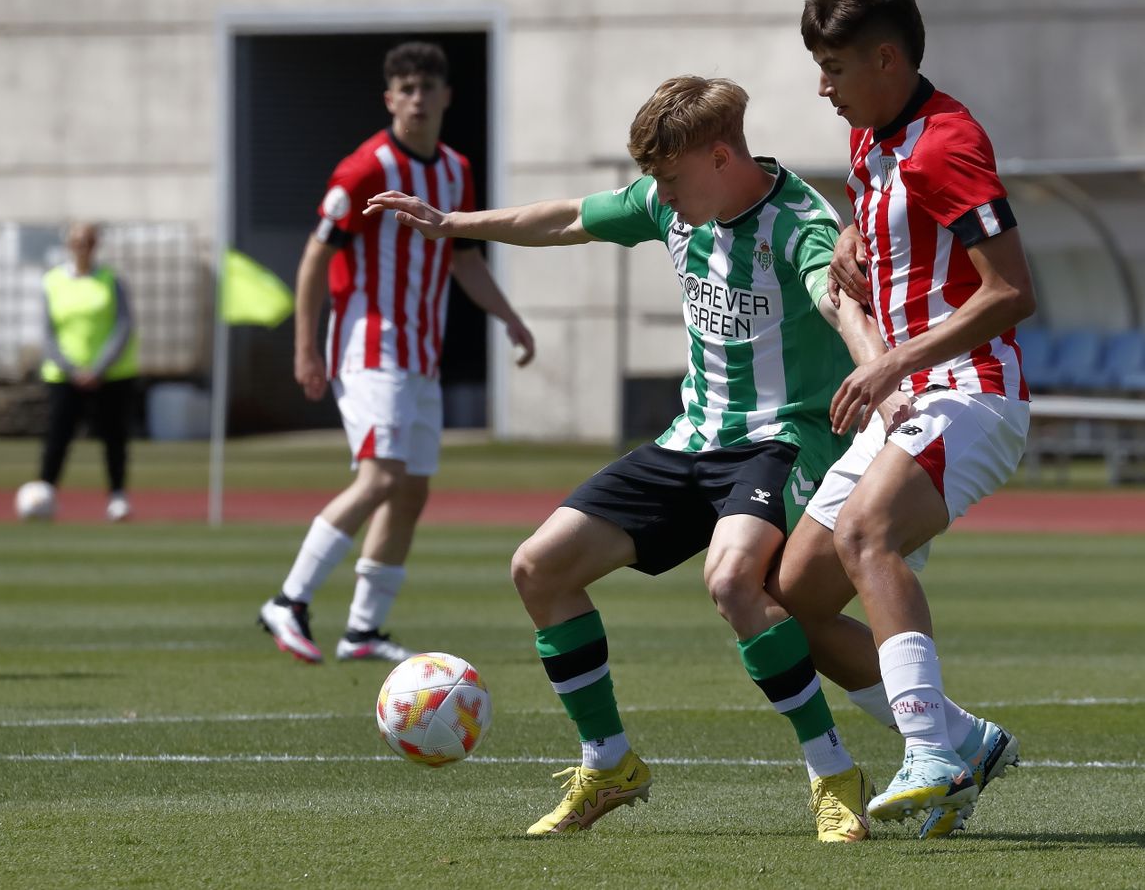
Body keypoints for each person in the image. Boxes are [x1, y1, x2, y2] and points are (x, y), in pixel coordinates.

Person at [369, 75, 952, 842]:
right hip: (691, 440)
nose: (658, 195)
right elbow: (570, 218)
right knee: (539, 567)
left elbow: (841, 303)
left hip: (783, 439)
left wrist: (881, 383)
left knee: (735, 579)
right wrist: (451, 223)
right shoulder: (667, 204)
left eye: (670, 179)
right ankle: (609, 761)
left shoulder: (798, 221)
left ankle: (833, 774)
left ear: (719, 158)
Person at [768, 0, 1038, 838]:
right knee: (795, 603)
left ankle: (928, 754)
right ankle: (963, 740)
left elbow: (1009, 291)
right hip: (911, 398)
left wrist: (890, 365)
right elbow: (889, 210)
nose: (823, 87)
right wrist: (851, 235)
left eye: (835, 68)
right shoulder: (876, 134)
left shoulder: (947, 142)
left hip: (971, 392)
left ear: (887, 60)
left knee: (865, 534)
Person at [256, 41, 535, 665]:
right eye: (404, 89)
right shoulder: (365, 169)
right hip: (369, 346)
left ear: (444, 97)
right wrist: (306, 347)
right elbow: (313, 259)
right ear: (389, 99)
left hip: (420, 354)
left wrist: (509, 318)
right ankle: (289, 599)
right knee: (379, 477)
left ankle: (362, 629)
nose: (416, 98)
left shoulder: (454, 169)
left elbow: (465, 259)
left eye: (425, 88)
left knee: (409, 490)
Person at [32, 221, 139, 522]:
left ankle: (117, 496)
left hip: (111, 373)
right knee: (57, 435)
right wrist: (72, 368)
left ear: (95, 245)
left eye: (88, 242)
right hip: (64, 374)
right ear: (69, 244)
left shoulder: (110, 280)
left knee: (114, 436)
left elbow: (124, 325)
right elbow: (47, 332)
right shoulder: (53, 281)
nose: (82, 247)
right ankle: (45, 492)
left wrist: (99, 367)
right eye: (77, 241)